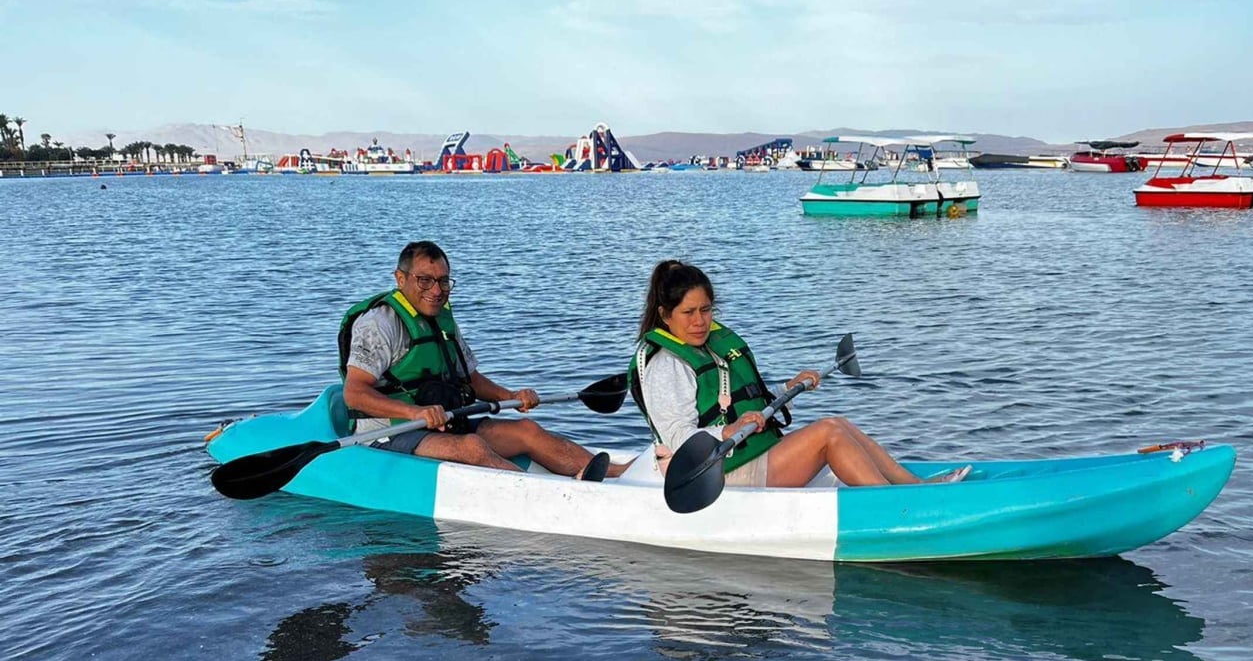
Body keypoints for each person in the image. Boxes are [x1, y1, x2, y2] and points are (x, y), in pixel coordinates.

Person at [627, 260, 969, 489]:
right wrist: (729, 430)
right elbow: (678, 437)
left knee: (837, 423)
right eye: (688, 312)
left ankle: (914, 487)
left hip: (750, 453)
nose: (700, 321)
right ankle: (896, 506)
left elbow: (734, 400)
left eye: (705, 310)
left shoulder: (711, 345)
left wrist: (785, 388)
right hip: (715, 475)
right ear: (665, 315)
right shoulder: (666, 365)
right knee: (827, 435)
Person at [339, 241, 625, 479]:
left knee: (527, 431)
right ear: (400, 279)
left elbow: (470, 379)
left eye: (443, 281)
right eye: (424, 280)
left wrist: (510, 396)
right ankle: (546, 494)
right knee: (472, 447)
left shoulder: (442, 319)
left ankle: (619, 475)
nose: (436, 291)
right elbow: (354, 393)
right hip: (391, 431)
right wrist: (414, 412)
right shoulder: (378, 324)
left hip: (445, 422)